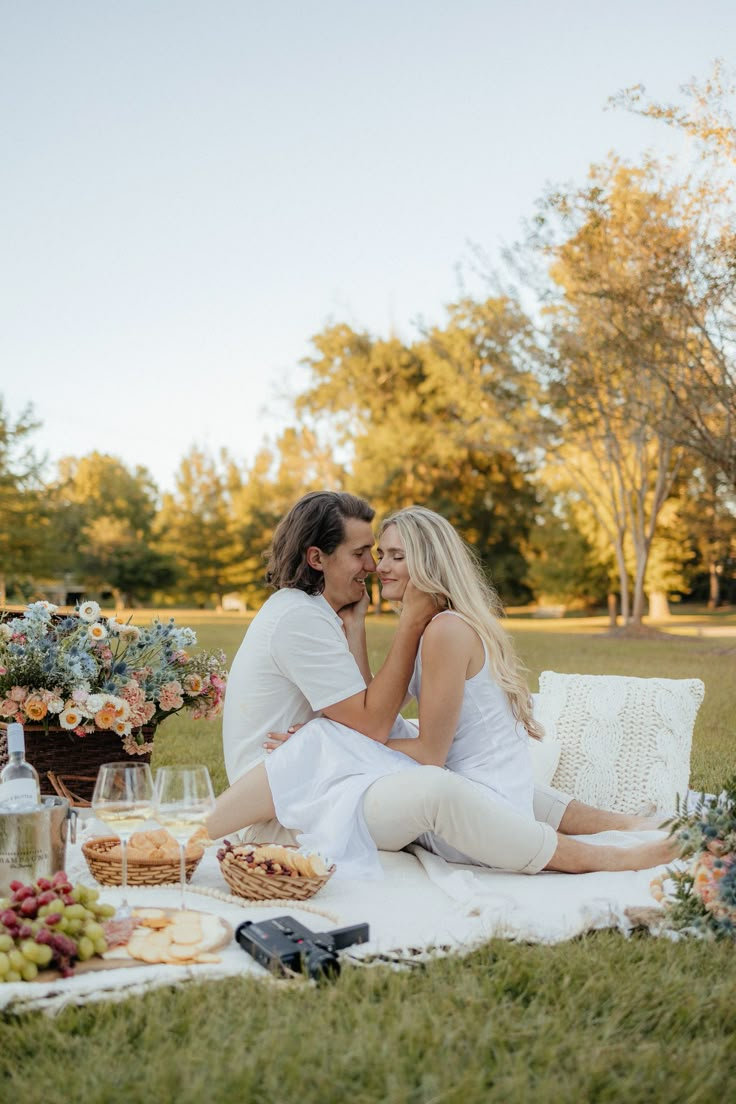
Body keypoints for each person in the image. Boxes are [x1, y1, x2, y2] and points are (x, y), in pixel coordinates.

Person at [212, 493, 672, 877]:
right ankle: (615, 848)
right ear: (317, 558)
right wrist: (331, 723)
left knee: (377, 747)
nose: (375, 568)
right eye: (367, 554)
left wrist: (326, 739)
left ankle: (626, 832)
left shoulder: (435, 629)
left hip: (357, 787)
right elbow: (376, 719)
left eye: (391, 555)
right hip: (285, 801)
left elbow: (382, 727)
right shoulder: (308, 618)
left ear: (427, 563)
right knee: (394, 759)